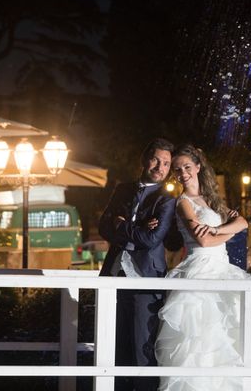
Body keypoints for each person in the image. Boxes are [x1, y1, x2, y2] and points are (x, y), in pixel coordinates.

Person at [155, 144, 251, 391]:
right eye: (178, 170)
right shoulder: (183, 203)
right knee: (202, 337)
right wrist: (224, 230)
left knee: (238, 330)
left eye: (187, 167)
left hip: (223, 269)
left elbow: (243, 222)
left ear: (198, 167)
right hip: (199, 270)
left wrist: (216, 229)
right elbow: (203, 241)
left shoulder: (212, 200)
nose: (183, 173)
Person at [99, 138, 177, 391]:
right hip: (113, 274)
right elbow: (103, 227)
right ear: (145, 160)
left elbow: (151, 238)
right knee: (113, 341)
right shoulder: (123, 189)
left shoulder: (166, 199)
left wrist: (121, 225)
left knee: (142, 342)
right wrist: (136, 228)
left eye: (166, 163)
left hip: (146, 277)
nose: (160, 167)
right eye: (156, 160)